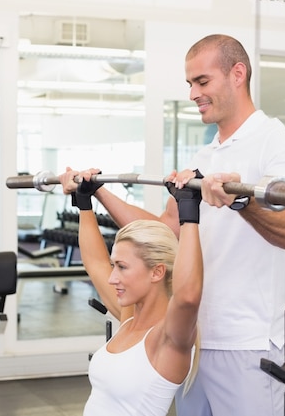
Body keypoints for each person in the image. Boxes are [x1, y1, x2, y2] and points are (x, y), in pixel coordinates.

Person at [60, 34, 285, 416]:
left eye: (202, 81)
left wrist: (241, 200)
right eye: (190, 84)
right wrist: (98, 193)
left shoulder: (277, 144)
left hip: (244, 341)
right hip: (192, 336)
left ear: (237, 74)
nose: (194, 93)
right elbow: (167, 226)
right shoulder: (206, 153)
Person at [59, 170, 203, 416]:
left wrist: (189, 214)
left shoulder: (167, 340)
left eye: (122, 267)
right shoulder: (128, 322)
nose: (113, 277)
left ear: (157, 272)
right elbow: (95, 264)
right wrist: (84, 203)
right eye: (115, 265)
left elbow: (188, 297)